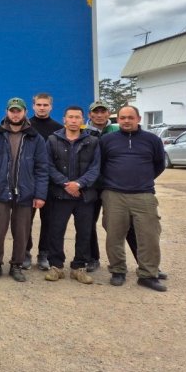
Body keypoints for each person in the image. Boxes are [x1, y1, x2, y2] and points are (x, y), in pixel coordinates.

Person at [100, 105, 167, 292]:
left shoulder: (152, 140)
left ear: (138, 118)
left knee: (149, 236)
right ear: (117, 120)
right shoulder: (106, 140)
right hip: (114, 195)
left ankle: (148, 274)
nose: (126, 121)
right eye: (122, 118)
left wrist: (142, 180)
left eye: (130, 117)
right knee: (114, 235)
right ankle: (118, 271)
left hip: (143, 195)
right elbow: (101, 165)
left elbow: (159, 164)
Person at [0, 97, 49, 282]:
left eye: (18, 110)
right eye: (12, 110)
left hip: (25, 193)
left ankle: (17, 265)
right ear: (7, 112)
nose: (15, 113)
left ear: (25, 112)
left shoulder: (35, 138)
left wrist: (40, 194)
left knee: (21, 232)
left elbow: (42, 168)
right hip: (0, 192)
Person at [44, 106, 100, 285]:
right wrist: (64, 183)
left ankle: (79, 268)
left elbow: (95, 167)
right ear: (64, 119)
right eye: (71, 117)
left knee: (84, 232)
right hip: (60, 194)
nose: (74, 120)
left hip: (84, 195)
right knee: (56, 231)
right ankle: (56, 266)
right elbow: (48, 165)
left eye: (77, 117)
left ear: (83, 120)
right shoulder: (53, 140)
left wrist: (79, 184)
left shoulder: (92, 141)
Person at [26, 93, 64, 271]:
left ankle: (44, 254)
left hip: (50, 182)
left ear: (51, 107)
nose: (42, 108)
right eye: (38, 105)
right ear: (33, 106)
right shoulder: (25, 126)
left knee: (48, 220)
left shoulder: (58, 129)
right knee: (26, 220)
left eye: (45, 105)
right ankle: (25, 252)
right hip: (27, 182)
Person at [85, 100, 118, 272]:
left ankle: (144, 263)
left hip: (114, 186)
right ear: (90, 114)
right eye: (95, 112)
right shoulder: (83, 132)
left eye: (102, 111)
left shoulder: (118, 131)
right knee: (89, 223)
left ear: (108, 113)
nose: (99, 115)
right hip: (91, 186)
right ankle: (92, 258)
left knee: (121, 225)